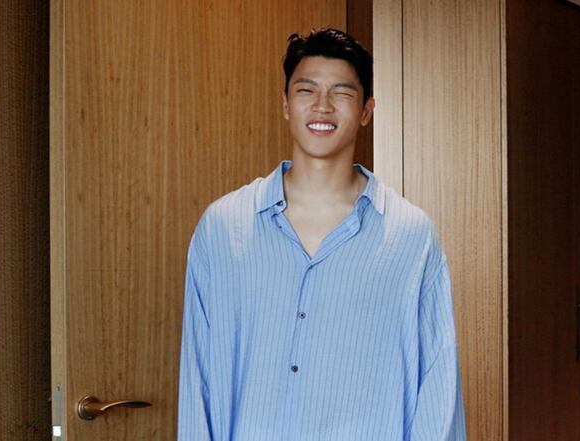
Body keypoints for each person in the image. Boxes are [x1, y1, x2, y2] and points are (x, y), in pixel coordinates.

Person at [177, 28, 466, 441]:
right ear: (286, 105)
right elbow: (198, 375)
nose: (322, 106)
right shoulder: (223, 228)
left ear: (366, 110)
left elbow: (438, 386)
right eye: (306, 90)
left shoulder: (411, 237)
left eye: (341, 93)